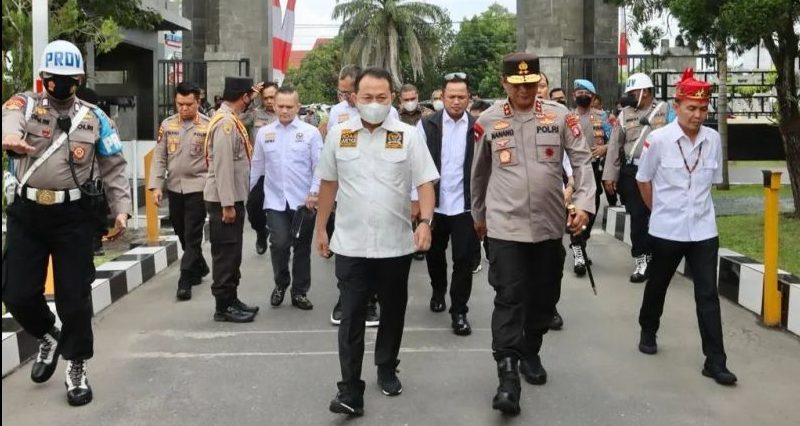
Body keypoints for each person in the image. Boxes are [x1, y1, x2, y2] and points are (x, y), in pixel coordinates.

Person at [2, 40, 131, 406]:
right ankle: (46, 335)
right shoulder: (24, 104)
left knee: (74, 298)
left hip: (73, 217)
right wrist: (10, 138)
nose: (59, 84)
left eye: (67, 78)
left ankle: (76, 366)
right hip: (28, 215)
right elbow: (8, 119)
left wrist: (121, 208)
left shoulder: (95, 117)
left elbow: (115, 167)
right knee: (16, 292)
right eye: (52, 78)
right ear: (43, 77)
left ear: (79, 78)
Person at [471, 52, 594, 416]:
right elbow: (479, 174)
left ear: (538, 81)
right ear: (504, 83)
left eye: (530, 83)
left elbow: (582, 161)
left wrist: (585, 204)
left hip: (547, 225)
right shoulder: (489, 121)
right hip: (505, 226)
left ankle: (531, 350)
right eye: (516, 84)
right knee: (509, 296)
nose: (523, 90)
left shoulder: (559, 116)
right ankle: (507, 376)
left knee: (544, 298)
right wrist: (478, 215)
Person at [315, 67, 439, 416]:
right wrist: (321, 228)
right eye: (367, 97)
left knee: (393, 311)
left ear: (392, 99)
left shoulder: (407, 135)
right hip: (351, 244)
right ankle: (350, 389)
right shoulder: (339, 135)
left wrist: (426, 222)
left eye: (381, 98)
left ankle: (386, 366)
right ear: (353, 98)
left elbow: (426, 182)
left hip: (395, 244)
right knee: (352, 315)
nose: (374, 103)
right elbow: (328, 183)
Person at [635, 68, 737, 385]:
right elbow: (643, 180)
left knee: (707, 295)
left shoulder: (713, 139)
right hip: (667, 230)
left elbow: (713, 180)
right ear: (677, 105)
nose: (697, 115)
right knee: (658, 285)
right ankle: (648, 329)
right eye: (691, 108)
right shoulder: (658, 140)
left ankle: (715, 361)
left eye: (703, 109)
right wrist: (660, 211)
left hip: (704, 230)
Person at [326, 65, 397, 327]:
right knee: (349, 256)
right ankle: (346, 299)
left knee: (377, 253)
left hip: (382, 198)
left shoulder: (392, 115)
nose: (345, 97)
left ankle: (371, 302)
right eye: (342, 92)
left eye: (348, 92)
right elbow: (329, 158)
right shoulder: (337, 115)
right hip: (348, 198)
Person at [250, 86, 322, 310]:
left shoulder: (310, 133)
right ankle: (281, 283)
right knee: (279, 244)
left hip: (303, 203)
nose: (284, 110)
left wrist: (314, 193)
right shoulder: (265, 133)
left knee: (301, 248)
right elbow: (258, 167)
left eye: (289, 107)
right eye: (280, 106)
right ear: (274, 105)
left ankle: (300, 292)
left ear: (298, 107)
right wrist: (251, 196)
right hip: (275, 201)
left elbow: (319, 167)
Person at [418, 72, 478, 336]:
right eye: (451, 96)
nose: (456, 101)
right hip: (435, 204)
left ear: (469, 98)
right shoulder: (428, 125)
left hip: (465, 206)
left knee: (464, 260)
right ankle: (438, 289)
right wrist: (416, 203)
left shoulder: (478, 127)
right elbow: (416, 165)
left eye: (461, 97)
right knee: (434, 254)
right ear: (442, 97)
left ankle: (460, 311)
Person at [602, 73, 672, 283]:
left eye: (634, 93)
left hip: (660, 172)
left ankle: (657, 257)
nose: (630, 97)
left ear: (646, 92)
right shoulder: (624, 114)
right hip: (632, 172)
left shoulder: (665, 111)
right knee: (639, 217)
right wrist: (609, 176)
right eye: (629, 93)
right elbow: (614, 146)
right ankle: (641, 258)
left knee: (659, 215)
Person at [204, 76, 260, 323]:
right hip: (224, 200)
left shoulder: (229, 118)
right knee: (226, 254)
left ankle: (231, 298)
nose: (251, 100)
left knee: (233, 253)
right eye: (250, 96)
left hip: (231, 197)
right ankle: (223, 306)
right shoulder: (226, 124)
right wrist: (228, 204)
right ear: (244, 96)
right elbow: (223, 166)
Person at [148, 81, 211, 301]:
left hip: (199, 187)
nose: (183, 109)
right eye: (180, 104)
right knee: (181, 230)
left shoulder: (208, 125)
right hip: (175, 187)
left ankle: (185, 280)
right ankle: (200, 265)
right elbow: (160, 157)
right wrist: (156, 186)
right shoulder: (167, 125)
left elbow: (213, 159)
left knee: (192, 233)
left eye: (188, 104)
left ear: (198, 102)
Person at [567, 79, 611, 276]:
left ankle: (581, 242)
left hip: (594, 168)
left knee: (591, 208)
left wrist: (604, 148)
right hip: (572, 172)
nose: (581, 95)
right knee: (574, 209)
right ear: (573, 96)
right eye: (578, 92)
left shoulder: (603, 118)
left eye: (586, 92)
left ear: (592, 97)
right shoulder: (567, 118)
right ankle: (577, 250)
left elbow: (616, 141)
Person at [247, 81, 279, 256]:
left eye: (272, 97)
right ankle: (261, 231)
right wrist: (248, 100)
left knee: (281, 211)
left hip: (281, 173)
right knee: (253, 207)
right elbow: (234, 120)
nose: (269, 101)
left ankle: (282, 243)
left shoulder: (285, 115)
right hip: (259, 172)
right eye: (265, 97)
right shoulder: (254, 115)